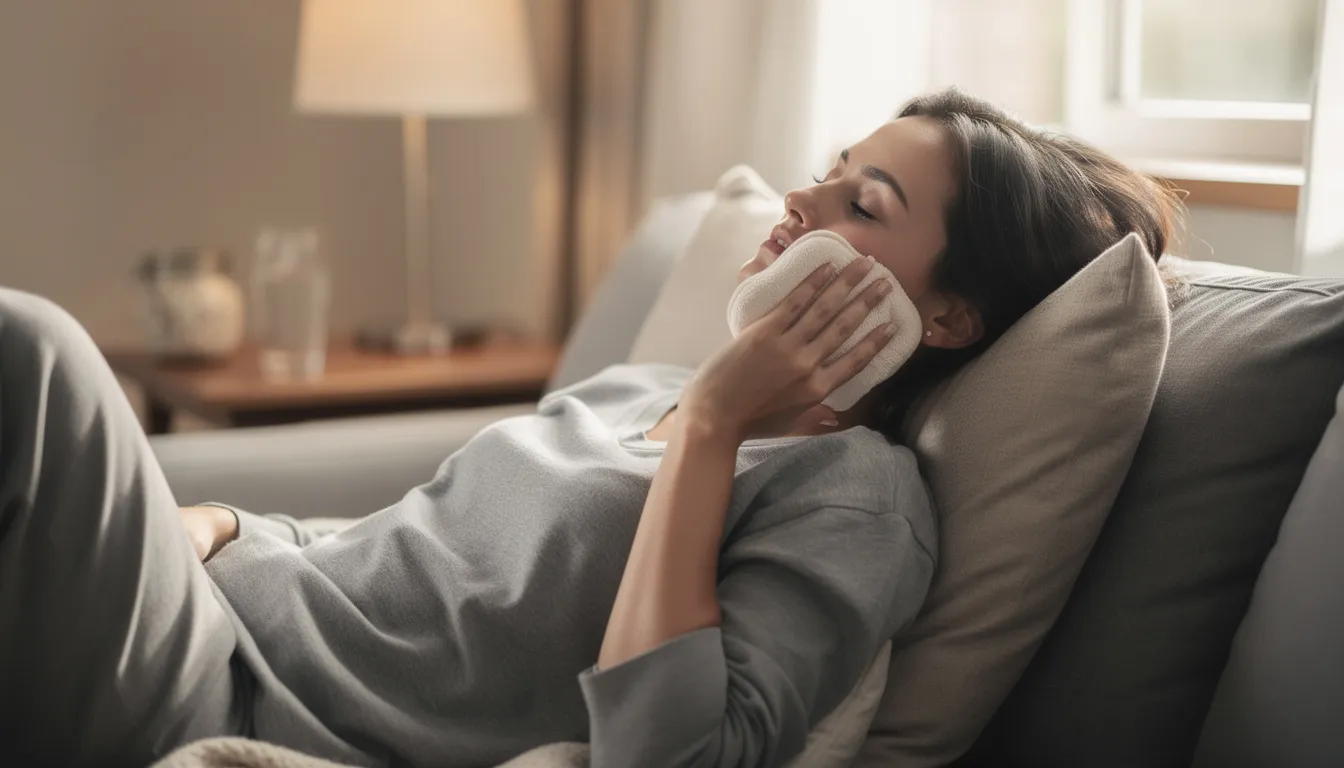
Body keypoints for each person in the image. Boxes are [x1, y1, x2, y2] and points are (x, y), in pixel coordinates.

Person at [0, 89, 1178, 767]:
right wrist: (216, 521)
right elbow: (397, 551)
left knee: (38, 355)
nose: (801, 203)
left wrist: (719, 421)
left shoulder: (856, 503)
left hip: (243, 710)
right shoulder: (637, 388)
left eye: (863, 205)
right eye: (829, 172)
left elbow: (675, 755)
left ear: (949, 315)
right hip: (206, 612)